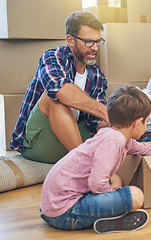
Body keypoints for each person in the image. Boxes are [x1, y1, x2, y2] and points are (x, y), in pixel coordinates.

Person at [40, 86, 151, 233]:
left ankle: (108, 215)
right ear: (138, 123)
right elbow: (96, 183)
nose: (146, 125)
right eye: (147, 122)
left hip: (53, 207)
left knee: (117, 181)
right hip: (65, 212)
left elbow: (146, 149)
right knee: (136, 196)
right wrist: (112, 195)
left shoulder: (117, 136)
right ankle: (110, 218)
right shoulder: (113, 140)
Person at [10, 11, 109, 164]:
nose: (95, 48)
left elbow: (95, 122)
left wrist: (117, 120)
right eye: (89, 42)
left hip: (73, 140)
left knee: (111, 116)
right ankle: (85, 165)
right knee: (54, 98)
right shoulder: (53, 57)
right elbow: (60, 91)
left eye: (98, 41)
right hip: (40, 141)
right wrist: (104, 111)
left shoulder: (97, 75)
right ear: (70, 40)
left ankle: (86, 157)